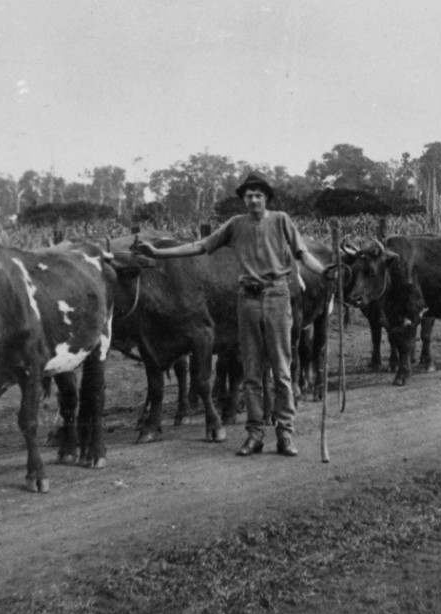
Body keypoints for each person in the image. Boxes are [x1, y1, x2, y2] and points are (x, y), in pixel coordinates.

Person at [132, 172, 336, 458]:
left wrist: (323, 271)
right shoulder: (235, 225)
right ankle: (254, 435)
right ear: (244, 200)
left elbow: (302, 255)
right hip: (248, 299)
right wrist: (158, 253)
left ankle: (285, 434)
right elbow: (200, 246)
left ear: (266, 198)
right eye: (248, 195)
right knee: (251, 372)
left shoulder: (281, 221)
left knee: (281, 370)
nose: (253, 199)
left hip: (277, 296)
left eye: (258, 195)